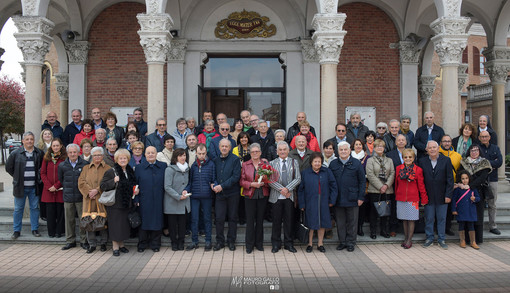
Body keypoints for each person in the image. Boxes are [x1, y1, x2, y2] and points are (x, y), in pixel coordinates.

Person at [6, 132, 44, 239]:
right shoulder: (15, 153)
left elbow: (42, 169)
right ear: (23, 141)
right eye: (27, 139)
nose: (29, 141)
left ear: (34, 140)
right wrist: (17, 176)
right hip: (20, 187)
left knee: (35, 208)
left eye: (31, 139)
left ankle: (35, 229)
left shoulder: (39, 153)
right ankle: (16, 230)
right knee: (18, 209)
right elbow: (9, 167)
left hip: (34, 186)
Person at [329, 141, 366, 252]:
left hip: (353, 198)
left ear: (350, 150)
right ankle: (342, 242)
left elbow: (362, 181)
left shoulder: (356, 163)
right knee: (340, 222)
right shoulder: (333, 164)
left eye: (346, 149)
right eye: (341, 150)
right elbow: (330, 182)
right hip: (338, 198)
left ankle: (351, 242)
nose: (343, 152)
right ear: (338, 151)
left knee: (352, 222)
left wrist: (360, 197)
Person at [298, 152, 338, 253]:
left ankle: (320, 244)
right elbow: (301, 189)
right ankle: (310, 243)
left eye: (319, 161)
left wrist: (332, 200)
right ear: (311, 162)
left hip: (324, 201)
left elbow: (334, 186)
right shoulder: (305, 173)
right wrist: (301, 203)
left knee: (322, 223)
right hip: (310, 201)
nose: (317, 163)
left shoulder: (327, 172)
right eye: (315, 161)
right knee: (311, 223)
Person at [100, 149, 137, 256]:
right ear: (116, 160)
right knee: (115, 225)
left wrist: (135, 190)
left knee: (123, 225)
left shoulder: (130, 171)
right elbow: (103, 186)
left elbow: (131, 185)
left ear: (128, 159)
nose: (123, 160)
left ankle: (121, 245)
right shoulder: (111, 171)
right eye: (120, 158)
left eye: (125, 158)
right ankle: (115, 247)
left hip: (126, 203)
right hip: (115, 204)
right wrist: (113, 181)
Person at [419, 141, 453, 250]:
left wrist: (448, 195)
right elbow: (420, 180)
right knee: (428, 218)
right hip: (428, 196)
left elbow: (450, 179)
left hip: (442, 196)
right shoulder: (422, 161)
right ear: (426, 150)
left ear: (438, 148)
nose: (432, 149)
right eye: (430, 148)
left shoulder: (446, 160)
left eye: (434, 147)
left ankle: (441, 239)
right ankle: (429, 238)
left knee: (441, 218)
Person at [269, 141, 301, 253]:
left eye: (284, 149)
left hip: (289, 197)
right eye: (280, 150)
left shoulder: (294, 162)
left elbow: (297, 178)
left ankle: (289, 243)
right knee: (276, 221)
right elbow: (270, 180)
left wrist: (287, 189)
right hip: (276, 197)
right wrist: (281, 190)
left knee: (289, 221)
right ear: (277, 151)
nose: (282, 151)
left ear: (288, 151)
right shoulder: (272, 163)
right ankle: (276, 244)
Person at [456, 144, 492, 245]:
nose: (474, 152)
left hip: (478, 191)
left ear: (479, 151)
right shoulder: (464, 162)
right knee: (466, 215)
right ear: (469, 152)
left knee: (478, 216)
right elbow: (459, 174)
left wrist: (470, 185)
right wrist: (462, 184)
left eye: (476, 150)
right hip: (465, 193)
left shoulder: (484, 163)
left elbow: (482, 178)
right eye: (472, 150)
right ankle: (466, 239)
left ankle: (477, 240)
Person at [78, 146, 110, 253]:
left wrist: (97, 190)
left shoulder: (108, 168)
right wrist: (89, 192)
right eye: (95, 155)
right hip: (88, 199)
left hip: (102, 198)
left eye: (99, 155)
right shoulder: (86, 168)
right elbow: (81, 182)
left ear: (102, 156)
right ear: (92, 156)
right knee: (89, 221)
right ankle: (91, 244)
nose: (97, 157)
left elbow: (109, 183)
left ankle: (103, 243)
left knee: (102, 221)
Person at [134, 146, 166, 252]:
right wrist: (136, 199)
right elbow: (135, 185)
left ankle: (155, 244)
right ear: (145, 154)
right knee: (144, 222)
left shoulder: (163, 166)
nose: (151, 154)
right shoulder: (139, 168)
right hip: (144, 200)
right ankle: (142, 244)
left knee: (157, 221)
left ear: (156, 154)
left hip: (158, 199)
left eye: (153, 152)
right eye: (148, 153)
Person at [184, 143, 216, 251]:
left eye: (203, 153)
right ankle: (194, 241)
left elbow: (214, 179)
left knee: (207, 219)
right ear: (196, 153)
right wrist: (186, 190)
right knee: (194, 219)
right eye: (199, 153)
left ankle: (208, 241)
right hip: (195, 196)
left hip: (207, 196)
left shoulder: (211, 164)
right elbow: (190, 181)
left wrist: (214, 185)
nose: (201, 155)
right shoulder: (193, 165)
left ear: (206, 152)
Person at [394, 149, 428, 249]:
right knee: (404, 219)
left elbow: (421, 185)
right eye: (405, 157)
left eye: (410, 157)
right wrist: (397, 195)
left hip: (413, 199)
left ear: (413, 158)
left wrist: (424, 198)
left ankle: (409, 239)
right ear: (403, 158)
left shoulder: (418, 170)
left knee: (411, 219)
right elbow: (396, 184)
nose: (408, 159)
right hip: (401, 197)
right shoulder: (398, 168)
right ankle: (405, 237)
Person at [240, 143, 270, 253]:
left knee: (260, 220)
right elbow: (241, 181)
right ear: (250, 153)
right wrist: (252, 184)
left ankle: (259, 244)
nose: (255, 153)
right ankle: (249, 245)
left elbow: (270, 180)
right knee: (250, 220)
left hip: (262, 194)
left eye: (257, 151)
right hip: (249, 195)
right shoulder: (245, 164)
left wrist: (265, 182)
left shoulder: (265, 164)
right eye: (253, 152)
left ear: (261, 152)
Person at [212, 139, 242, 251]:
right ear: (219, 147)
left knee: (232, 218)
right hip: (219, 195)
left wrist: (222, 186)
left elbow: (235, 177)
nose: (224, 148)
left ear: (230, 148)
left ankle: (231, 241)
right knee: (219, 218)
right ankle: (220, 241)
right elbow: (213, 175)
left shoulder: (235, 159)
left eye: (226, 146)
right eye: (222, 146)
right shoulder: (215, 160)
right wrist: (214, 184)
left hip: (232, 193)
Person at [58, 143, 89, 250]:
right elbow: (61, 180)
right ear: (67, 153)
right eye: (70, 152)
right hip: (68, 197)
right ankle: (70, 241)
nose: (72, 154)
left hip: (81, 197)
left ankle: (84, 241)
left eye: (74, 152)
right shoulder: (62, 165)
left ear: (78, 152)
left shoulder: (85, 164)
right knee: (69, 220)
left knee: (82, 220)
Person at [366, 139, 395, 239]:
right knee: (374, 212)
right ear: (374, 148)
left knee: (385, 212)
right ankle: (373, 231)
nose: (379, 148)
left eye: (381, 146)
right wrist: (380, 186)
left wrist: (386, 185)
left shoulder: (389, 160)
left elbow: (392, 173)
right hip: (374, 190)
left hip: (387, 189)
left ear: (384, 148)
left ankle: (384, 230)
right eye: (377, 146)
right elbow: (370, 175)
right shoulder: (370, 160)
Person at [164, 148, 190, 251]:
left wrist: (186, 190)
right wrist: (178, 196)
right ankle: (174, 242)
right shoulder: (170, 169)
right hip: (172, 201)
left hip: (184, 201)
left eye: (184, 155)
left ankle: (181, 242)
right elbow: (167, 187)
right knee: (173, 224)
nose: (183, 157)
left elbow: (188, 183)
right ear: (175, 157)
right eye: (180, 156)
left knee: (182, 224)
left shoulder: (188, 169)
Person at [41, 138, 66, 238]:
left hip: (59, 190)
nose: (55, 147)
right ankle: (51, 232)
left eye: (57, 145)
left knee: (60, 212)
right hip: (49, 190)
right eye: (54, 146)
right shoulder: (46, 158)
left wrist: (56, 186)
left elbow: (65, 174)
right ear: (51, 147)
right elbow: (42, 173)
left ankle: (59, 232)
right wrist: (49, 186)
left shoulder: (64, 158)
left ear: (61, 146)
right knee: (50, 213)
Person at [479, 130, 503, 235]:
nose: (484, 138)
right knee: (479, 203)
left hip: (492, 179)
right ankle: (478, 225)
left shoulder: (495, 148)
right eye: (482, 137)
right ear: (479, 138)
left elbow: (499, 162)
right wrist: (490, 164)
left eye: (486, 136)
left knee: (492, 204)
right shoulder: (477, 148)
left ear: (489, 137)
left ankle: (492, 226)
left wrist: (486, 163)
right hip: (480, 179)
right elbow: (477, 162)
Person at [439, 134, 462, 236]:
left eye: (448, 141)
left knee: (449, 209)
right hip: (439, 185)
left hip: (451, 186)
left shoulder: (457, 156)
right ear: (441, 143)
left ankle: (447, 228)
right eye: (444, 141)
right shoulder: (436, 153)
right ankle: (437, 227)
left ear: (451, 143)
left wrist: (457, 183)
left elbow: (460, 171)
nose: (447, 143)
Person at [451, 170, 480, 249]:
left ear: (469, 178)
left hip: (470, 210)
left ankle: (473, 241)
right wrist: (454, 209)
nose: (465, 180)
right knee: (461, 225)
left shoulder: (472, 188)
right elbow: (454, 199)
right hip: (461, 210)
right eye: (463, 178)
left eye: (466, 178)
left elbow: (478, 198)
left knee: (471, 226)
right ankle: (462, 240)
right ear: (460, 179)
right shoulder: (457, 189)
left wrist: (475, 199)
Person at [351, 138, 370, 237]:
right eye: (356, 144)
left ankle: (360, 227)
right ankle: (353, 228)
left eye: (360, 144)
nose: (358, 146)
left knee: (362, 209)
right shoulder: (349, 156)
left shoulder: (367, 158)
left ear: (363, 146)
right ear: (353, 146)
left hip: (363, 186)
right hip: (351, 187)